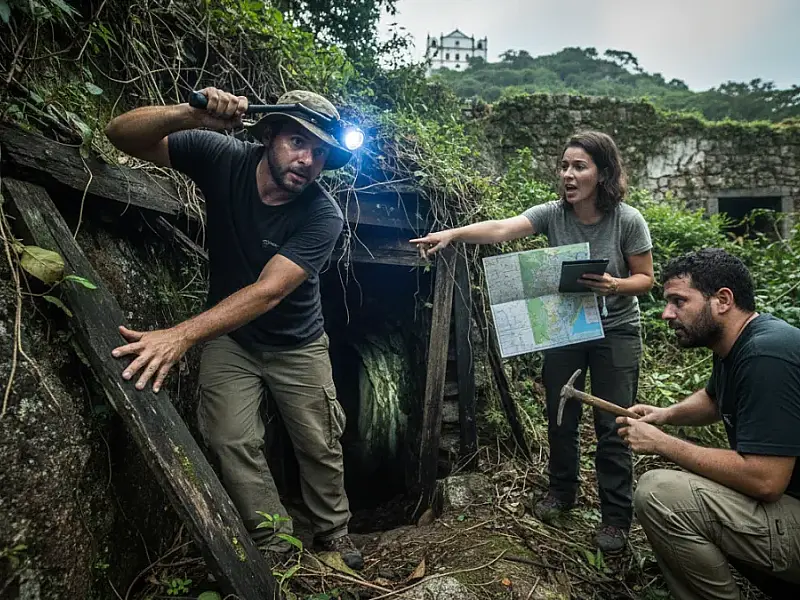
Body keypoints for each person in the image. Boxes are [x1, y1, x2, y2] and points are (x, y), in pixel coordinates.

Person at [104, 87, 363, 570]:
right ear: (268, 136)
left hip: (298, 343)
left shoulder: (323, 214)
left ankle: (333, 535)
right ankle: (277, 544)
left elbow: (269, 291)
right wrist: (190, 113)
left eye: (321, 152)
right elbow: (121, 135)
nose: (308, 159)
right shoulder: (222, 155)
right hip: (232, 339)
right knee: (230, 438)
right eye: (297, 141)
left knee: (319, 441)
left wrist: (179, 335)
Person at [411, 131, 654, 552]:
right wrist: (452, 233)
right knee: (560, 415)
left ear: (603, 173)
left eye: (580, 166)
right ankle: (562, 493)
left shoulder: (627, 220)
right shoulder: (553, 214)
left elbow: (646, 279)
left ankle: (615, 519)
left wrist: (615, 284)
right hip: (568, 326)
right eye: (564, 166)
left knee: (613, 425)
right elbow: (503, 229)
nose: (568, 174)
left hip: (616, 331)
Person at [618, 248, 800, 599]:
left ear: (722, 300)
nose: (667, 314)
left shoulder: (767, 357)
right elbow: (715, 398)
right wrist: (665, 414)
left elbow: (765, 480)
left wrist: (661, 442)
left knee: (660, 494)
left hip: (786, 501)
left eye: (678, 301)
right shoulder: (742, 343)